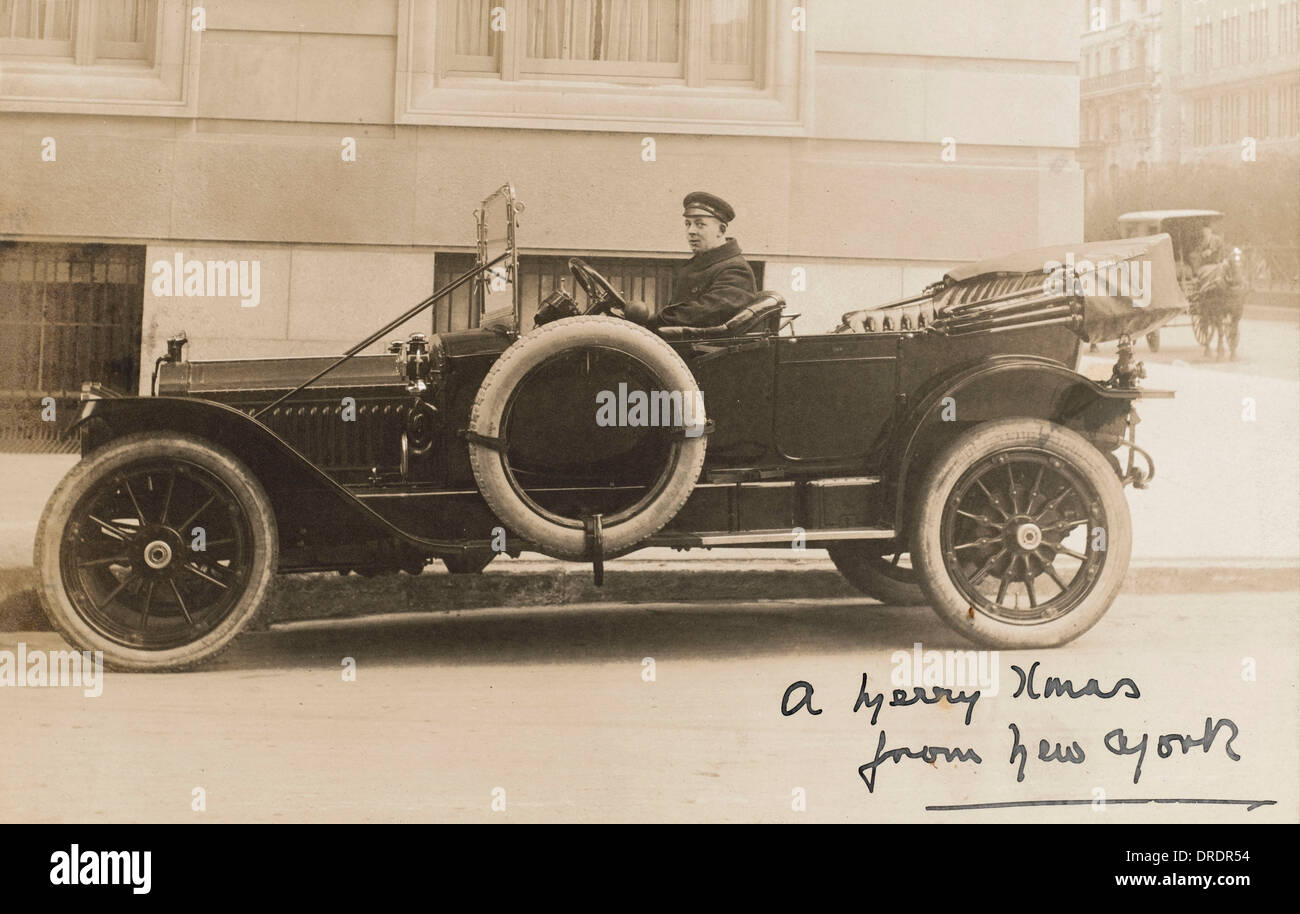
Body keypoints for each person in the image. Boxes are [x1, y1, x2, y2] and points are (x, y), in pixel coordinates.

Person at [644, 192, 757, 330]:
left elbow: (706, 313)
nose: (691, 231)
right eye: (688, 224)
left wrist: (654, 320)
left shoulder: (735, 270)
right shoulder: (701, 264)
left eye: (700, 224)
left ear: (721, 230)